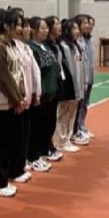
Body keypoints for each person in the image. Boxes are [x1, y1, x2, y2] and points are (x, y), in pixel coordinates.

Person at [0, 8, 26, 198]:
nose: (20, 29)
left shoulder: (9, 45)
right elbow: (3, 77)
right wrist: (16, 99)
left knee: (6, 143)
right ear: (7, 26)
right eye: (17, 25)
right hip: (0, 103)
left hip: (10, 101)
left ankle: (4, 178)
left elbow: (17, 74)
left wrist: (20, 96)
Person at [9, 12, 38, 183]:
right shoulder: (12, 48)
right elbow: (15, 76)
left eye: (25, 25)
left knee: (24, 134)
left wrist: (35, 92)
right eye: (21, 25)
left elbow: (32, 73)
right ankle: (14, 168)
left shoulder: (26, 47)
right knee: (16, 137)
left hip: (27, 96)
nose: (25, 29)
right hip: (17, 99)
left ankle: (20, 164)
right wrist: (18, 98)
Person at [27, 17, 58, 172]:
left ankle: (44, 150)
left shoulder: (45, 46)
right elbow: (36, 73)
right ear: (33, 30)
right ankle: (34, 156)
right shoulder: (31, 48)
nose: (46, 31)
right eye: (42, 28)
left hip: (51, 93)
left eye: (47, 28)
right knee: (37, 127)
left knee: (48, 124)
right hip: (40, 94)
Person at [55, 19, 83, 155]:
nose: (77, 31)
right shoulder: (64, 46)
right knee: (63, 114)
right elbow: (68, 69)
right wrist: (72, 86)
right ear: (68, 30)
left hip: (76, 85)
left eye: (77, 28)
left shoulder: (75, 45)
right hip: (68, 85)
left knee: (71, 114)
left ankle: (67, 138)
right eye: (74, 29)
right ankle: (60, 141)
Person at [41, 17, 64, 163]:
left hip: (55, 84)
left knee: (51, 119)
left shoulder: (55, 45)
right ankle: (44, 148)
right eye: (56, 24)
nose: (59, 26)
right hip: (46, 88)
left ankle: (49, 145)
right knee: (45, 120)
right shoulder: (44, 46)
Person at [74, 14, 96, 144]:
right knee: (79, 105)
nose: (89, 26)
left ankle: (82, 126)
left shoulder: (88, 40)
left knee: (85, 104)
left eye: (90, 24)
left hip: (89, 77)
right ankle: (77, 128)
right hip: (82, 78)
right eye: (86, 23)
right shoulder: (77, 41)